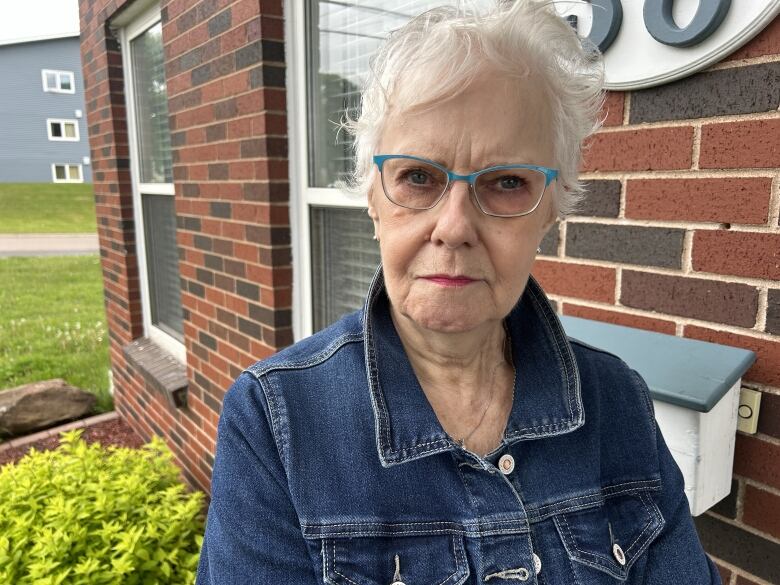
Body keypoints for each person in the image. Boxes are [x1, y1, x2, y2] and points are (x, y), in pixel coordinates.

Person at [196, 1, 721, 583]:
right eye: (418, 176)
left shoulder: (617, 403)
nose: (453, 226)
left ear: (552, 208)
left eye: (505, 183)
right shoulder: (277, 420)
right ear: (372, 195)